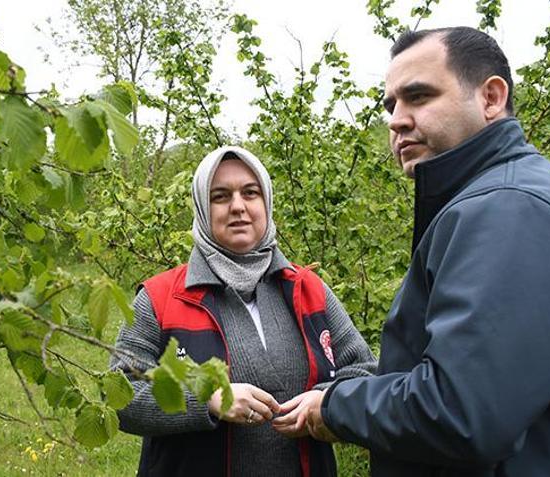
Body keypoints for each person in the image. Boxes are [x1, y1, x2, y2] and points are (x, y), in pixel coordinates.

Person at [283, 27, 550, 476]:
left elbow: (462, 411)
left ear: (491, 98)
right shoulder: (486, 203)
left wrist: (336, 407)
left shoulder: (509, 207)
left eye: (418, 97)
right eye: (390, 105)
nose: (396, 119)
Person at [110, 145, 376, 477]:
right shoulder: (160, 298)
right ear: (203, 210)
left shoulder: (309, 290)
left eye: (250, 193)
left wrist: (327, 402)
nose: (238, 206)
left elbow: (365, 372)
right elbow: (118, 396)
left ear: (266, 202)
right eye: (220, 196)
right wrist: (206, 398)